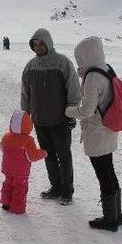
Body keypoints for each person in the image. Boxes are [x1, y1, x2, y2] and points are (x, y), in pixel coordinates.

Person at [65, 36, 122, 231]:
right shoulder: (105, 68)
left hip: (98, 132)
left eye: (79, 56)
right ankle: (116, 215)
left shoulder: (91, 77)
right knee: (109, 172)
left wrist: (68, 111)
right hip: (109, 128)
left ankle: (110, 219)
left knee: (104, 174)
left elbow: (87, 111)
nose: (78, 60)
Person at [21, 28, 81, 205]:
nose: (38, 47)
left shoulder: (62, 63)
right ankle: (56, 187)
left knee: (64, 155)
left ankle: (67, 191)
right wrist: (25, 114)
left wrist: (72, 111)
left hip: (60, 119)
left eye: (41, 43)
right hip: (39, 120)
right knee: (48, 155)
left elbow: (73, 89)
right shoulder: (31, 66)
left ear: (48, 43)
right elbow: (25, 92)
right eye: (35, 44)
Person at [0, 110, 47, 214]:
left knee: (7, 184)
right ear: (27, 125)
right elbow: (32, 156)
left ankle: (5, 203)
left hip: (7, 168)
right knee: (19, 188)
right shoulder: (28, 141)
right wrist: (43, 153)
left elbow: (2, 148)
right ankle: (17, 208)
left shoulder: (6, 137)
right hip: (20, 172)